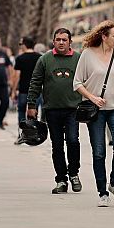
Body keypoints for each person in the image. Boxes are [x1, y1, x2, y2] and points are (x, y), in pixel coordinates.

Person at [73, 20, 114, 207]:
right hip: (96, 111)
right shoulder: (87, 55)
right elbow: (77, 83)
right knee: (99, 152)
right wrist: (92, 98)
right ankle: (102, 193)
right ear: (104, 36)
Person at [27, 28, 83, 194]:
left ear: (70, 42)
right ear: (53, 41)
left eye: (64, 40)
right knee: (57, 146)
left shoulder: (78, 59)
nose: (61, 42)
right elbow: (35, 82)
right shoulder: (45, 60)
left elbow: (88, 80)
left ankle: (74, 173)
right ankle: (61, 180)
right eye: (58, 39)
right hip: (51, 110)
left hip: (73, 109)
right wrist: (31, 105)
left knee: (73, 140)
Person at [13, 36, 42, 143]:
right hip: (37, 91)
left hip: (23, 90)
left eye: (21, 44)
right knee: (34, 112)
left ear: (24, 45)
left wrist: (13, 90)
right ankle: (33, 135)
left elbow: (17, 76)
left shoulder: (20, 58)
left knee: (21, 111)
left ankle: (22, 134)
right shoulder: (40, 57)